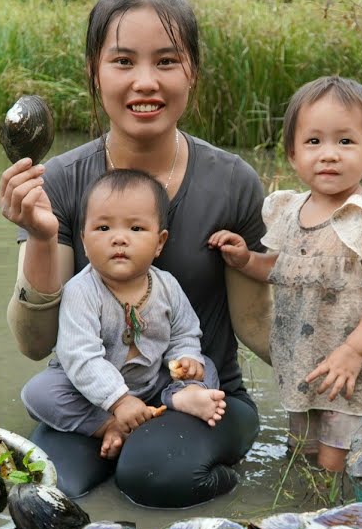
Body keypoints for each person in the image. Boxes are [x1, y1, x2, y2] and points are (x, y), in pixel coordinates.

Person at [0, 0, 271, 506]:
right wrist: (40, 236)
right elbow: (35, 344)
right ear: (94, 72)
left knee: (151, 477)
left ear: (192, 72)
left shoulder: (232, 181)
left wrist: (340, 363)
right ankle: (116, 429)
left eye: (167, 61)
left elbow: (255, 323)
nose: (145, 82)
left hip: (199, 397)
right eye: (123, 61)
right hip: (93, 394)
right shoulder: (58, 180)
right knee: (48, 492)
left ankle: (203, 466)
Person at [209, 76, 362, 472]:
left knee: (338, 463)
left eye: (345, 142)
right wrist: (247, 261)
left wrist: (354, 351)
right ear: (292, 154)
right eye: (313, 142)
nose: (329, 155)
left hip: (355, 370)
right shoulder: (290, 210)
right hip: (306, 367)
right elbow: (290, 271)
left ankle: (341, 520)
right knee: (301, 457)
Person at [19, 169, 228, 460]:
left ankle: (181, 397)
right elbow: (80, 356)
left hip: (153, 381)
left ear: (159, 242)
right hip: (91, 391)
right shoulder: (82, 291)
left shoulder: (166, 285)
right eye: (103, 229)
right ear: (84, 241)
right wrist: (118, 401)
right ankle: (108, 426)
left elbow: (184, 332)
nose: (119, 239)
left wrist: (186, 359)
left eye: (136, 229)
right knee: (38, 393)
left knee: (206, 365)